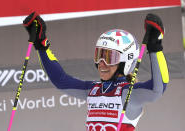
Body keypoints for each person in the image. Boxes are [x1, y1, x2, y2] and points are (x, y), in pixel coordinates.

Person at [23, 12, 169, 131]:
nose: (101, 63)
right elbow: (61, 80)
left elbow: (157, 89)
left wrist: (155, 48)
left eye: (109, 57)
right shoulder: (93, 90)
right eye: (99, 56)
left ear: (126, 61)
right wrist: (41, 44)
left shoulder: (128, 94)